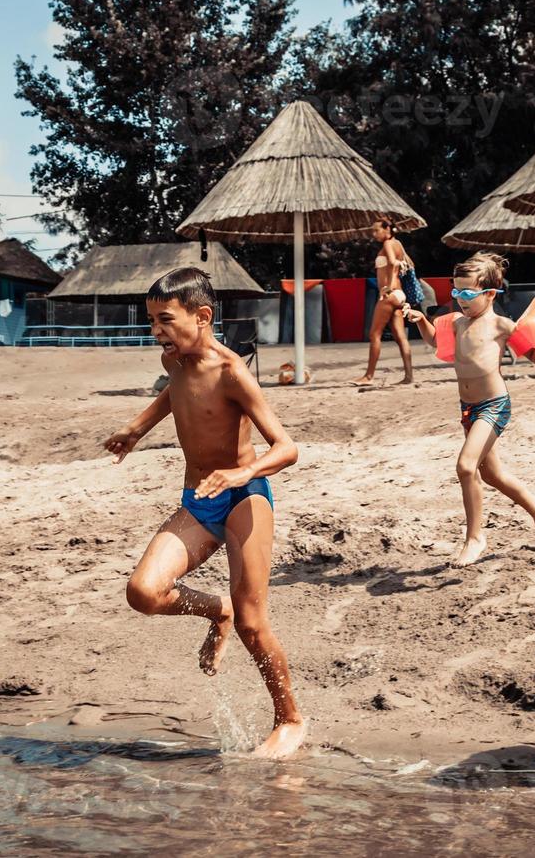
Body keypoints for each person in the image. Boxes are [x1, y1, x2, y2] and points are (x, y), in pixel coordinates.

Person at [105, 267, 306, 759]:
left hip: (244, 498)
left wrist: (241, 473)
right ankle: (217, 609)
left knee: (254, 625)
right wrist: (136, 428)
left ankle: (290, 720)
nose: (157, 331)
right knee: (144, 593)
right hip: (197, 500)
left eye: (165, 320)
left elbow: (287, 447)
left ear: (202, 316)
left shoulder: (232, 371)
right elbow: (174, 395)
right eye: (151, 320)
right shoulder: (172, 359)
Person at [404, 252, 535, 566]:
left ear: (489, 293)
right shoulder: (458, 323)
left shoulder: (499, 324)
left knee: (465, 467)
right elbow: (436, 343)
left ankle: (475, 538)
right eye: (456, 292)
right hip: (468, 408)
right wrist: (421, 320)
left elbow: (528, 342)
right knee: (492, 474)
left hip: (494, 405)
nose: (461, 299)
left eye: (468, 293)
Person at [353, 218, 421, 386]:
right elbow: (406, 264)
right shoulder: (399, 244)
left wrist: (388, 287)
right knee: (400, 336)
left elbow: (391, 263)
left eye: (377, 230)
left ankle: (368, 377)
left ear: (387, 229)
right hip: (399, 294)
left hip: (390, 294)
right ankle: (409, 376)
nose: (374, 234)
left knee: (374, 334)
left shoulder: (388, 245)